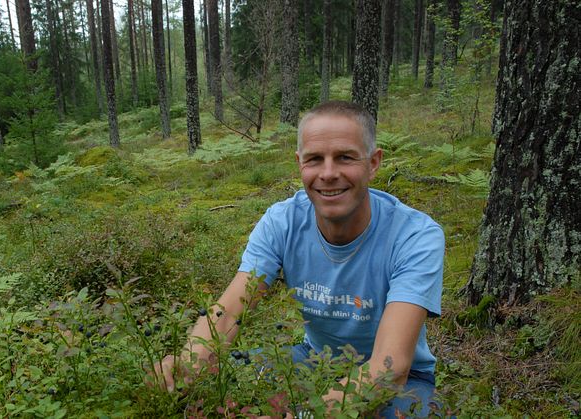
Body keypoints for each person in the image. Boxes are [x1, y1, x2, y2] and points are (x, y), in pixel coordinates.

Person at [151, 100, 444, 417]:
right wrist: (186, 364)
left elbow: (392, 366)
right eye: (315, 159)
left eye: (345, 157)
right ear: (299, 164)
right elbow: (228, 314)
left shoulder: (415, 236)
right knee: (221, 376)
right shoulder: (282, 223)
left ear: (373, 163)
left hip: (402, 381)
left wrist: (306, 414)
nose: (328, 173)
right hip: (312, 358)